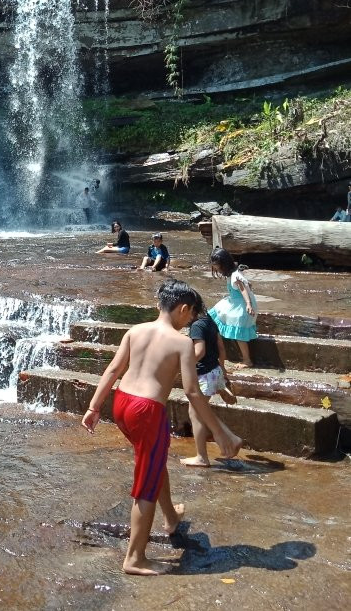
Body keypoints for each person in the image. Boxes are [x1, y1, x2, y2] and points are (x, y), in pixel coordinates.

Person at [81, 279, 242, 576]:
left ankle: (170, 517)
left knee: (153, 463)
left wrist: (93, 407)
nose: (190, 321)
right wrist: (219, 432)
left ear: (159, 305)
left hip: (122, 404)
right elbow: (193, 392)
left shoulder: (136, 331)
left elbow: (114, 369)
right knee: (146, 484)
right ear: (183, 309)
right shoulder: (182, 343)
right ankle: (135, 557)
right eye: (190, 316)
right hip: (147, 410)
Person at [180, 312, 240, 468]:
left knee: (195, 413)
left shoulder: (196, 325)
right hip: (214, 370)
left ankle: (202, 456)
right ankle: (230, 437)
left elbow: (200, 351)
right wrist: (223, 370)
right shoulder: (209, 320)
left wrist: (182, 365)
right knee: (202, 410)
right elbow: (220, 346)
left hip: (204, 374)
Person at [208, 247, 257, 368]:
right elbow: (246, 285)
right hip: (236, 302)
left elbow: (243, 289)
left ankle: (247, 360)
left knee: (238, 332)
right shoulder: (234, 273)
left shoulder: (235, 276)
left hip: (242, 305)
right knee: (215, 313)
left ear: (224, 264)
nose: (215, 268)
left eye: (216, 266)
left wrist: (249, 304)